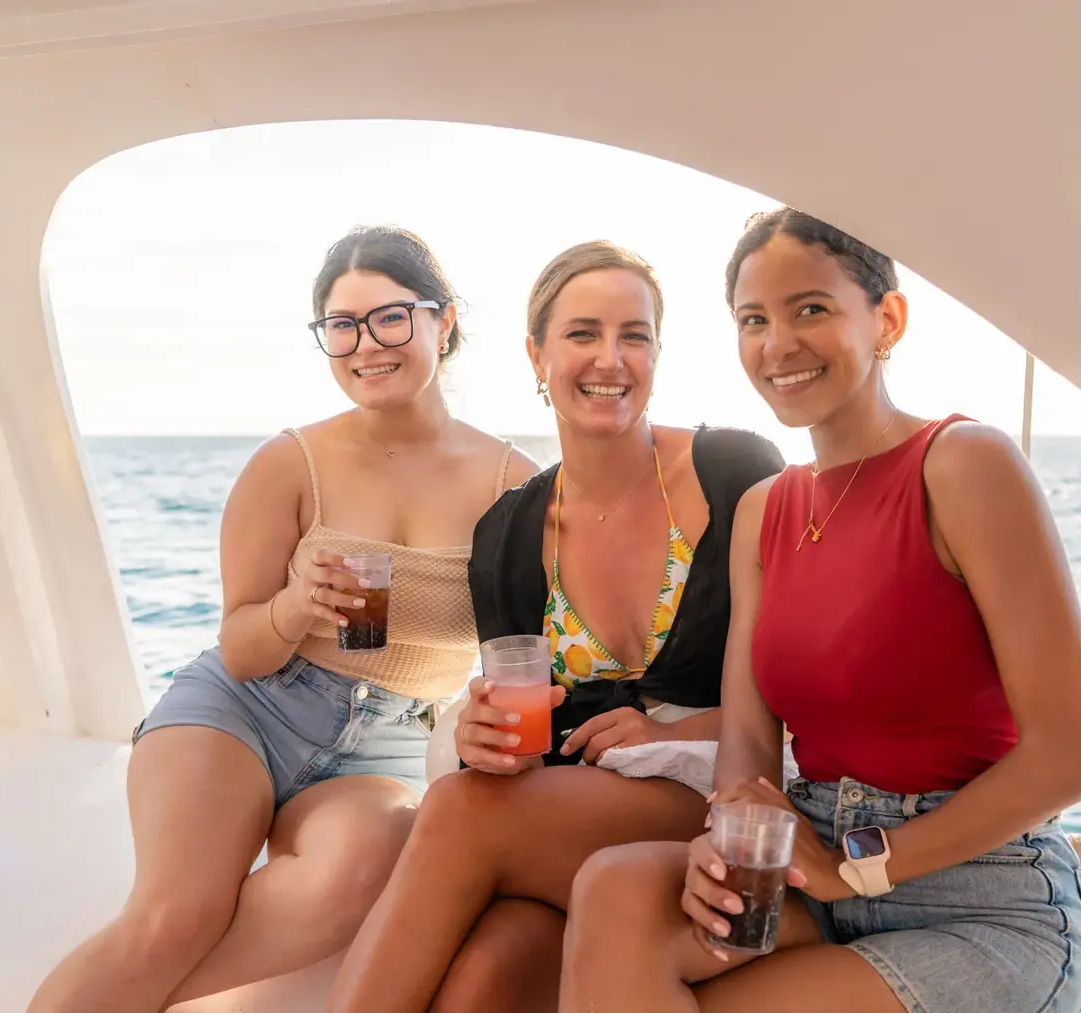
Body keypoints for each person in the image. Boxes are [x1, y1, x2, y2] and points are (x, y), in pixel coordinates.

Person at [560, 208, 1081, 1013]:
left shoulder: (964, 465)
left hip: (981, 896)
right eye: (754, 320)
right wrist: (726, 841)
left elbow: (1075, 757)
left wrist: (861, 865)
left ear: (887, 319)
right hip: (808, 862)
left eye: (810, 309)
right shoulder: (763, 509)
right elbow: (750, 747)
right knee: (612, 889)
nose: (777, 344)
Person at [26, 226, 536, 1013]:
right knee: (174, 917)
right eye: (343, 325)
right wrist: (298, 606)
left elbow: (534, 647)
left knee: (364, 865)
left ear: (445, 321)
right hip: (247, 709)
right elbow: (239, 649)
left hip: (392, 743)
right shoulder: (288, 463)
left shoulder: (515, 484)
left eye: (391, 317)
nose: (367, 345)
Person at [323, 241, 785, 1013]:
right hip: (583, 814)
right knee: (479, 983)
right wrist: (480, 738)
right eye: (582, 333)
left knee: (459, 810)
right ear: (536, 355)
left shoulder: (734, 474)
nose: (610, 358)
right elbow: (527, 732)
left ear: (657, 354)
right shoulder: (508, 534)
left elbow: (813, 675)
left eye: (633, 335)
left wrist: (680, 729)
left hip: (726, 791)